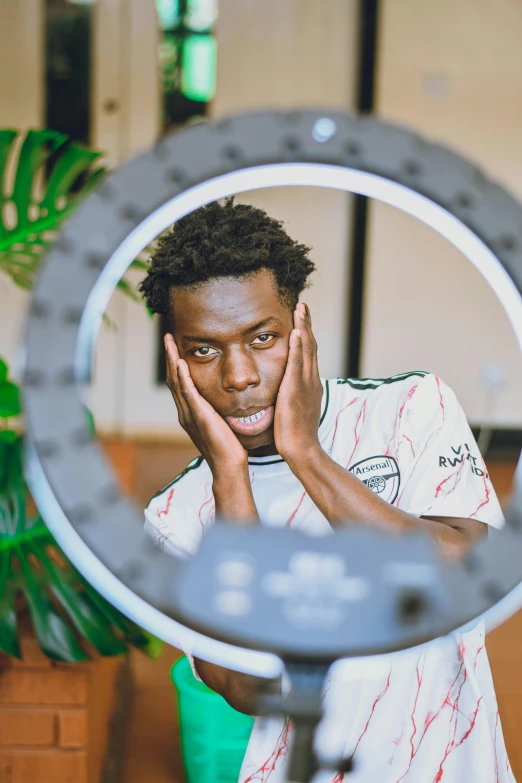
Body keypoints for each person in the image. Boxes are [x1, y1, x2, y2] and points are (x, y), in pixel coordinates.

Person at [139, 198, 514, 783]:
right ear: (175, 361)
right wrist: (231, 479)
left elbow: (466, 574)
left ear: (300, 326)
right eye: (204, 350)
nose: (237, 376)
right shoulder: (172, 517)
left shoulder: (412, 407)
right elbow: (249, 685)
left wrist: (305, 453)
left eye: (262, 338)